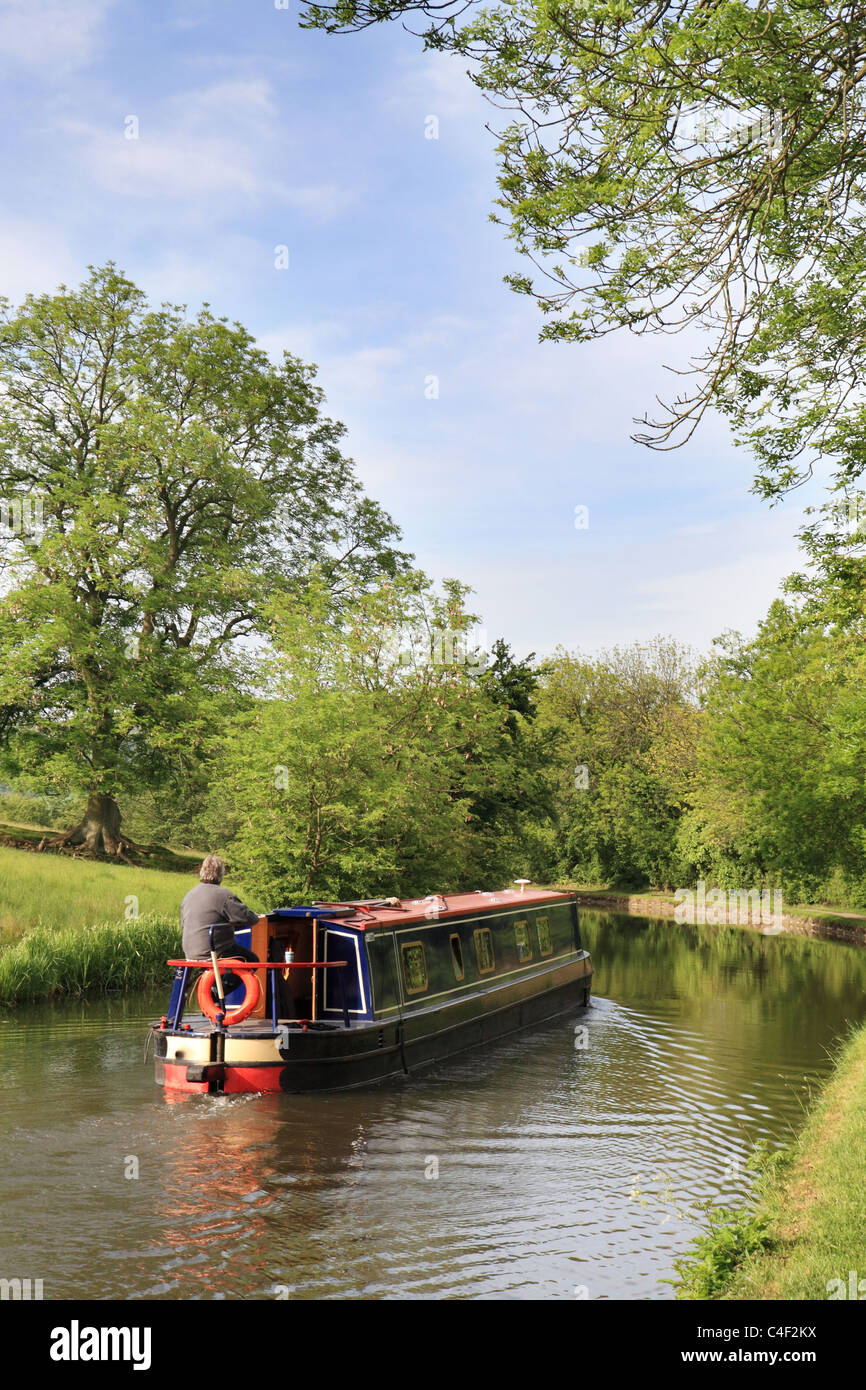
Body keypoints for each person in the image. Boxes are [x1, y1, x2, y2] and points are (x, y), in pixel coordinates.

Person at [181, 854, 261, 998]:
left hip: (190, 952)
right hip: (214, 952)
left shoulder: (189, 895)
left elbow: (183, 924)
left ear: (202, 871)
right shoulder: (224, 895)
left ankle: (209, 993)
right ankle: (216, 994)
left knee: (232, 956)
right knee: (252, 960)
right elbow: (249, 918)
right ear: (221, 874)